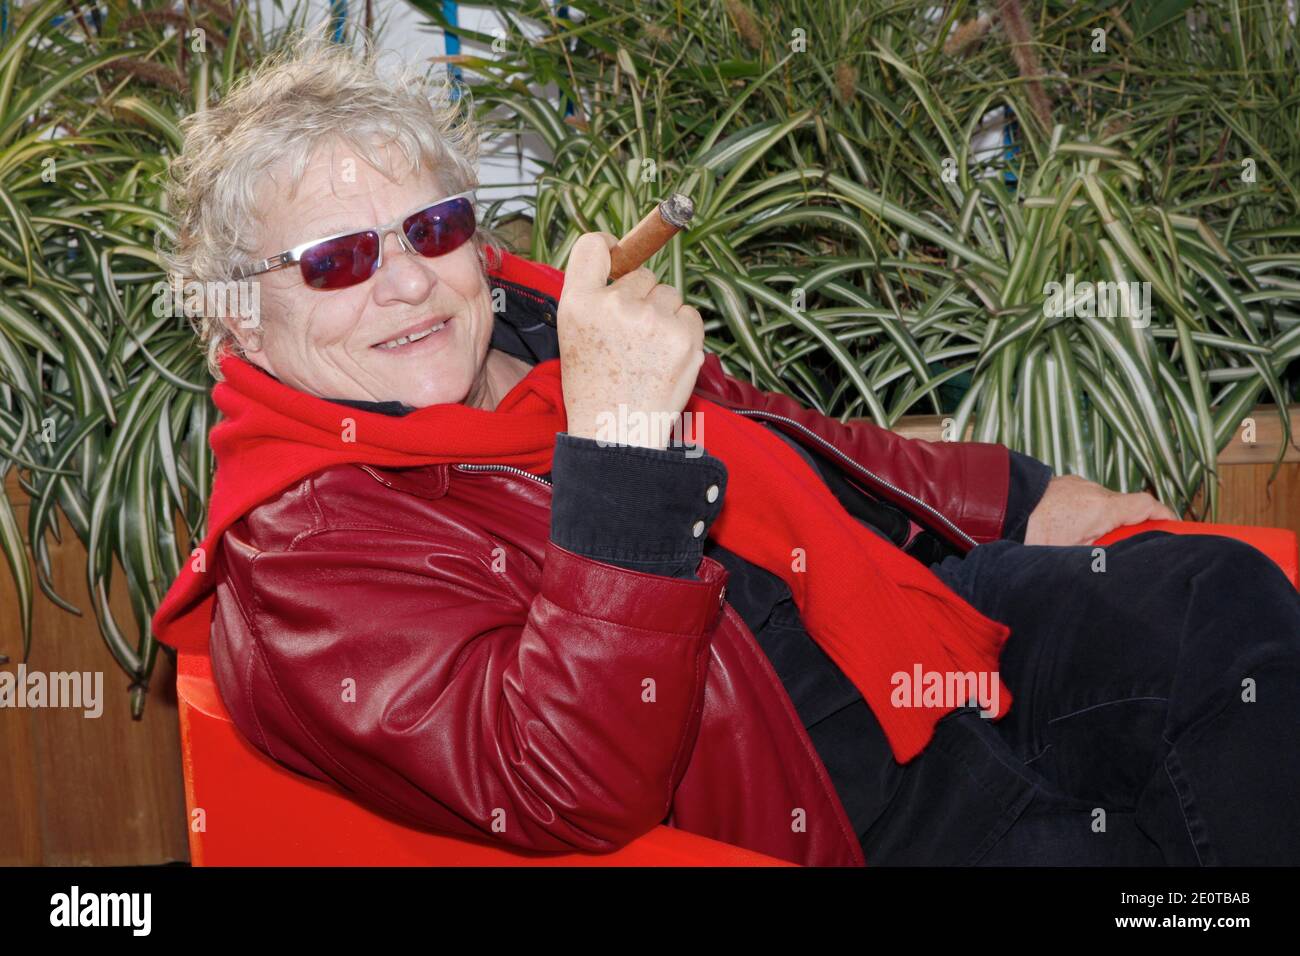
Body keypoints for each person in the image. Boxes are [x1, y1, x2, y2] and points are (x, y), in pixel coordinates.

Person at [153, 34, 1300, 867]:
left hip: (906, 625)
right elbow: (559, 784)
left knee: (1215, 599)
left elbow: (782, 432)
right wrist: (619, 455)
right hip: (838, 792)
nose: (408, 279)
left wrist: (1022, 495)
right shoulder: (302, 549)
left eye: (436, 228)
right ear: (233, 318)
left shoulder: (536, 322)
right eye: (338, 258)